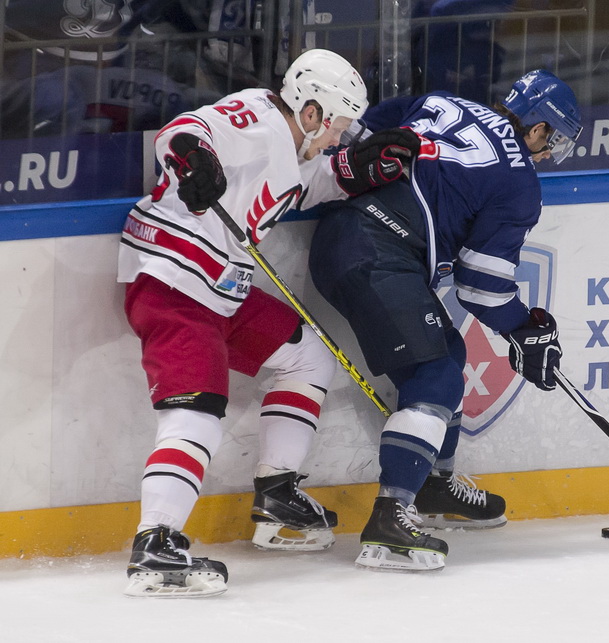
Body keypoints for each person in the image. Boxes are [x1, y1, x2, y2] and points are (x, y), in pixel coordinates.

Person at [117, 48, 420, 597]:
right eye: (339, 127)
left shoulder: (294, 148)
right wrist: (193, 159)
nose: (339, 138)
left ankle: (277, 490)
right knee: (198, 412)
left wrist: (363, 168)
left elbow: (312, 182)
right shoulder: (256, 119)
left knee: (307, 358)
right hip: (173, 284)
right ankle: (155, 544)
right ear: (310, 113)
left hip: (221, 289)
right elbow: (183, 131)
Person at [308, 69, 582, 571]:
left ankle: (434, 487)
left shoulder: (444, 101)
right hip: (378, 253)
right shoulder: (519, 181)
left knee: (447, 356)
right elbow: (481, 286)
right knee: (433, 375)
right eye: (553, 141)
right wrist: (525, 328)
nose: (547, 155)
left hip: (341, 235)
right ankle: (390, 521)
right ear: (539, 128)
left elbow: (356, 129)